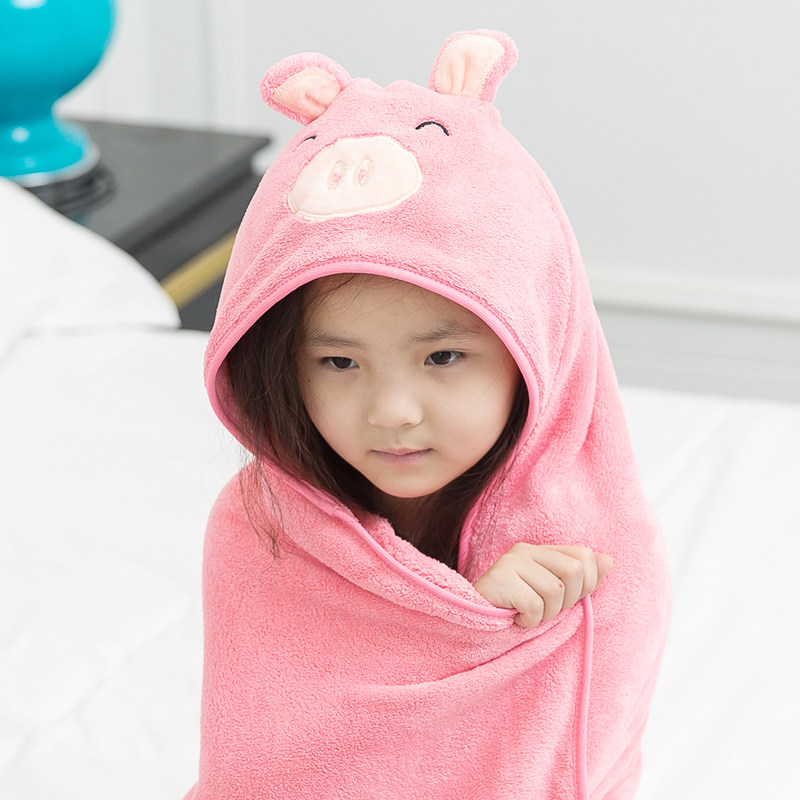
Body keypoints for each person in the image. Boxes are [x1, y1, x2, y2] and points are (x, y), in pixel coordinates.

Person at [185, 29, 671, 800]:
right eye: (338, 363)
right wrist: (467, 613)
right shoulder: (259, 527)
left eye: (443, 358)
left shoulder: (583, 533)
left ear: (535, 345)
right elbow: (265, 758)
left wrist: (501, 623)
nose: (393, 412)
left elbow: (589, 726)